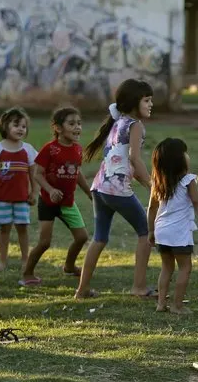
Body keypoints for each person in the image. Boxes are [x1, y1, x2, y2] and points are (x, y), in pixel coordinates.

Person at [74, 79, 155, 299]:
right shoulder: (135, 125)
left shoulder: (118, 122)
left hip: (99, 188)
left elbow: (128, 165)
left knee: (99, 238)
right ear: (133, 102)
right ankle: (139, 287)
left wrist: (147, 182)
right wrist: (152, 186)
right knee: (146, 233)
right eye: (146, 100)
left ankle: (81, 290)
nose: (150, 104)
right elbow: (135, 160)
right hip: (116, 190)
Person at [20, 106, 91, 286]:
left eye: (79, 123)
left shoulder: (77, 149)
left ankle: (69, 267)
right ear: (58, 128)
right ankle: (27, 273)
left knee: (82, 237)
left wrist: (89, 192)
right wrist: (50, 190)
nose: (77, 127)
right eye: (72, 123)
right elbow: (37, 174)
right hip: (48, 203)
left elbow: (77, 172)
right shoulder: (50, 149)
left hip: (68, 203)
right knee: (44, 243)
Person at [148, 138, 198, 314]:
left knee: (166, 268)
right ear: (179, 160)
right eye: (185, 153)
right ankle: (177, 305)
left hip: (161, 230)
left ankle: (161, 304)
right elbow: (197, 202)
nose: (188, 156)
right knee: (185, 267)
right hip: (178, 232)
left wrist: (150, 230)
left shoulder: (158, 182)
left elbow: (152, 208)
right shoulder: (188, 180)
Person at [0, 107, 38, 271]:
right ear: (5, 127)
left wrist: (34, 192)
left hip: (22, 198)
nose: (21, 129)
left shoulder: (28, 149)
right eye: (16, 125)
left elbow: (34, 172)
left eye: (23, 126)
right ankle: (2, 261)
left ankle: (25, 261)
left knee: (23, 228)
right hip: (2, 198)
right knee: (4, 229)